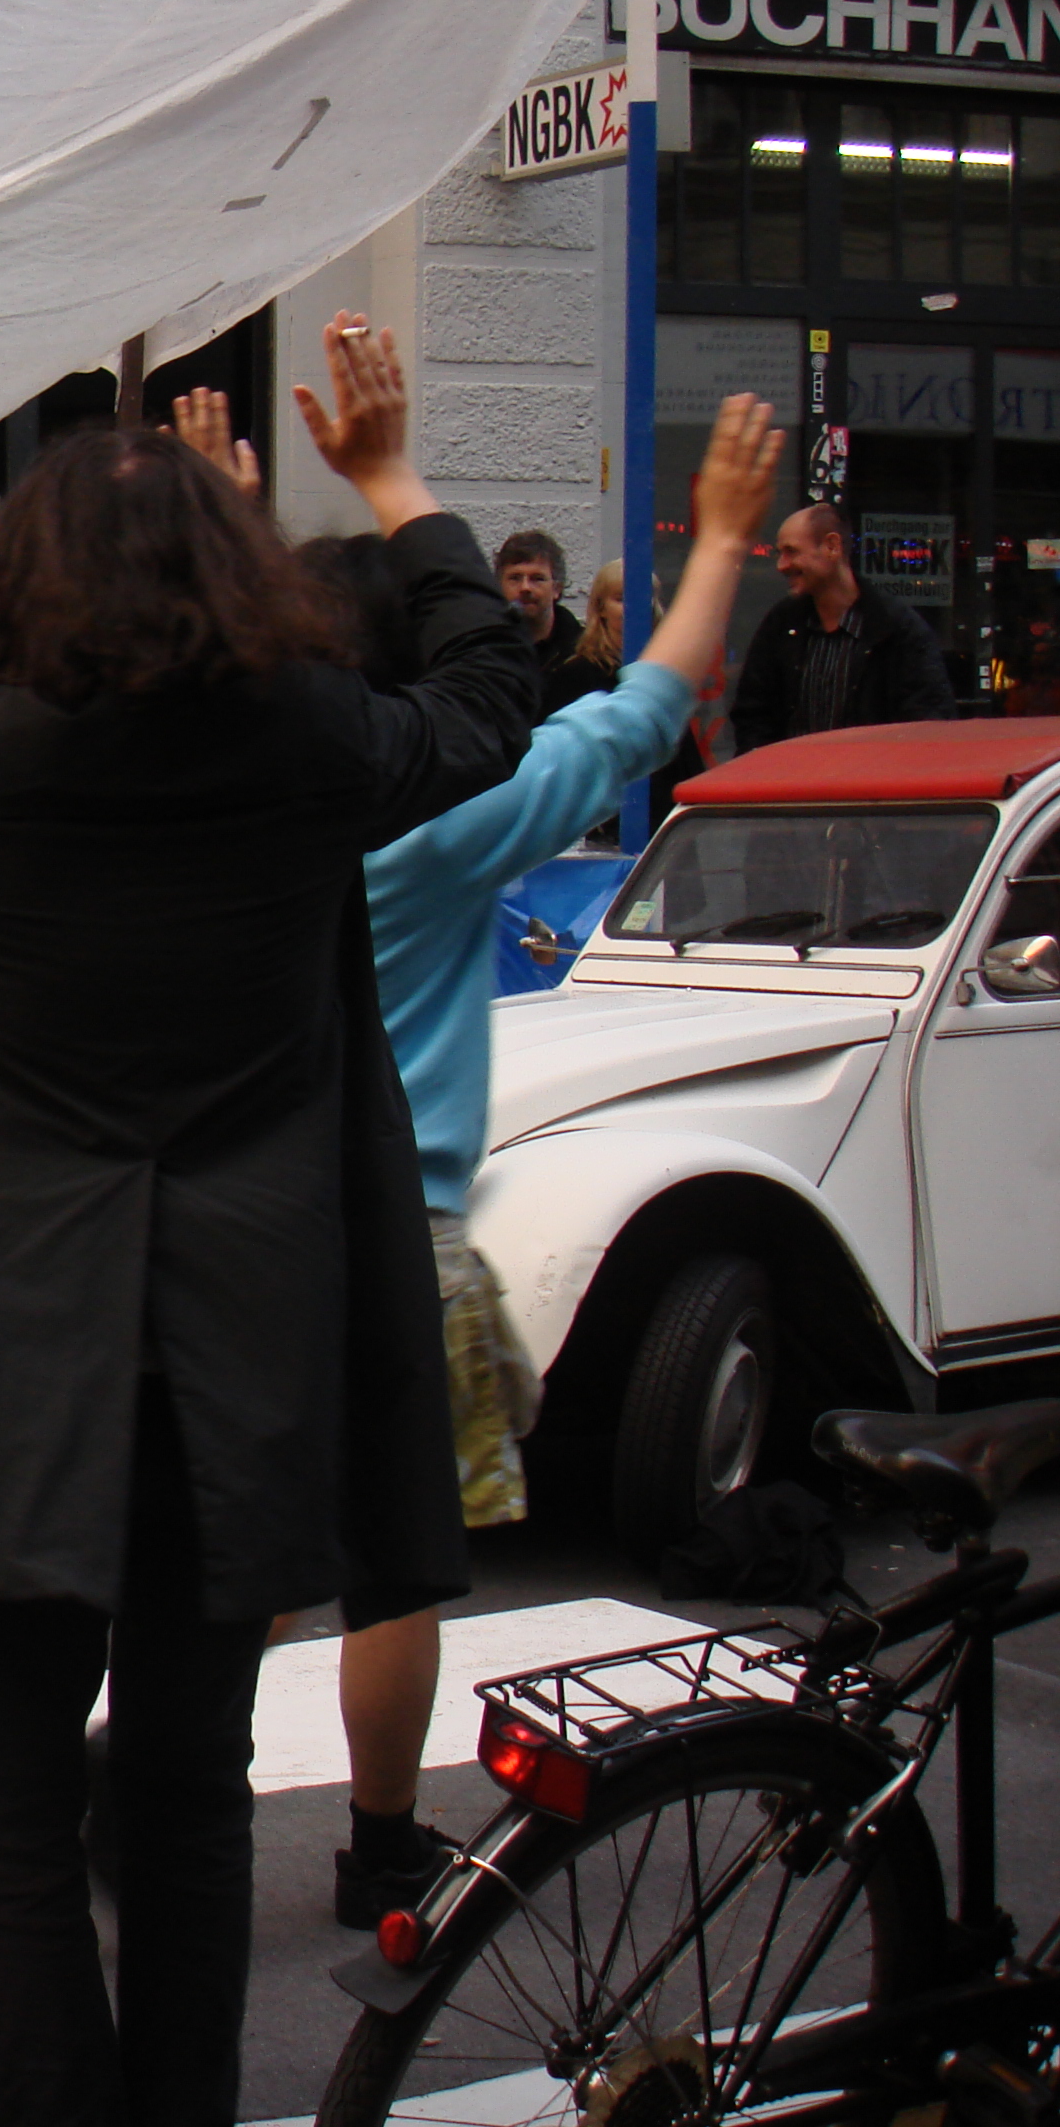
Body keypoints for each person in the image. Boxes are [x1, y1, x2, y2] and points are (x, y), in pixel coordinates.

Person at [0, 313, 535, 2127]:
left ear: (11, 576)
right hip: (236, 1357)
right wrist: (385, 477)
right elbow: (485, 692)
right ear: (236, 563)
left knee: (5, 1814)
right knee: (192, 1802)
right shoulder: (305, 738)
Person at [299, 392, 783, 1930]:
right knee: (394, 1566)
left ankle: (139, 1772)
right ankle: (382, 1845)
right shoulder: (444, 826)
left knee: (210, 1543)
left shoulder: (223, 803)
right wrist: (715, 538)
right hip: (402, 1229)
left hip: (230, 1224)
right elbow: (642, 711)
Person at [730, 500, 957, 749]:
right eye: (779, 553)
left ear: (832, 546)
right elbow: (752, 716)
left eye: (791, 551)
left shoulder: (897, 629)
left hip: (869, 783)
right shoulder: (781, 625)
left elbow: (928, 726)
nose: (781, 565)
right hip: (790, 784)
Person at [542, 558, 707, 820]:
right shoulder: (575, 675)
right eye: (620, 598)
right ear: (601, 608)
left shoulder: (660, 673)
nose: (634, 606)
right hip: (601, 823)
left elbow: (684, 758)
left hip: (663, 818)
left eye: (645, 596)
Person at [495, 528, 581, 707]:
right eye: (515, 578)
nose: (525, 588)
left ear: (557, 589)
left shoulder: (583, 654)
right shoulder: (481, 650)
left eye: (537, 579)